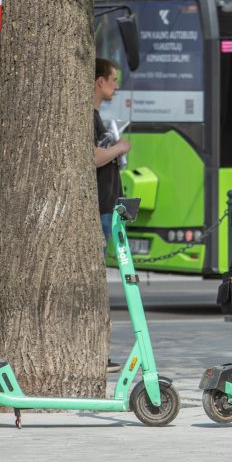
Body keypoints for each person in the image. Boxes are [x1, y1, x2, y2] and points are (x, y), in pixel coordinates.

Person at [93, 57, 130, 373]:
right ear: (99, 82)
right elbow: (93, 157)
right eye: (113, 79)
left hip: (107, 206)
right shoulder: (89, 117)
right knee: (96, 283)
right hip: (101, 208)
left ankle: (100, 353)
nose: (116, 86)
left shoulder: (96, 117)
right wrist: (119, 149)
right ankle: (97, 354)